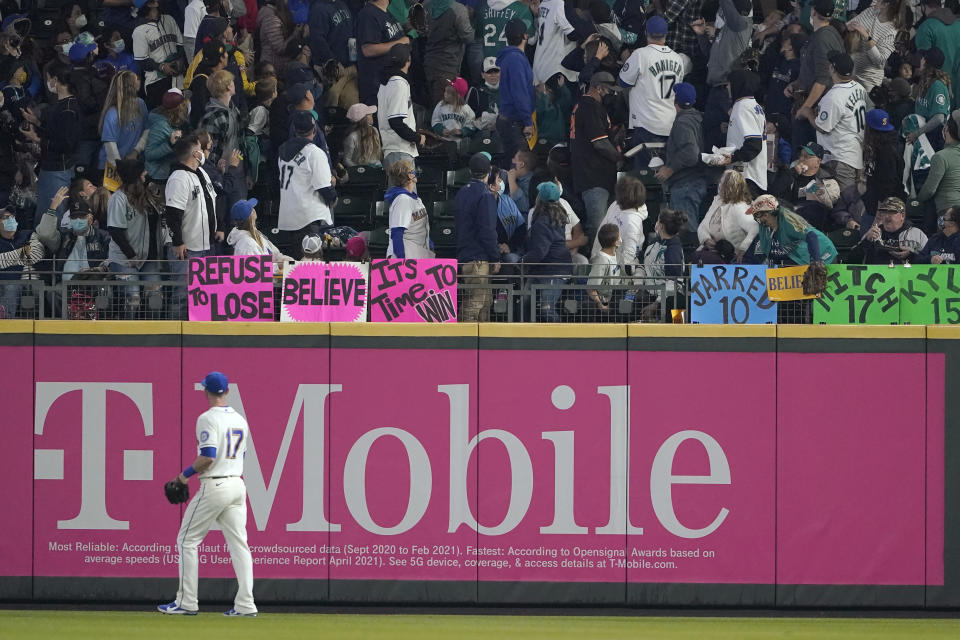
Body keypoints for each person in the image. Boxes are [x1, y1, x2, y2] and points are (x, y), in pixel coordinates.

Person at [157, 371, 257, 617]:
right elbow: (242, 456)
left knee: (186, 540)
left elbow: (209, 456)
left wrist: (182, 476)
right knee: (239, 546)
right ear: (228, 391)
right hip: (237, 483)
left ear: (206, 391)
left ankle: (186, 602)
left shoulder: (207, 418)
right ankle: (246, 605)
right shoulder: (240, 419)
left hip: (216, 485)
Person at [618, 16, 684, 168]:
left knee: (646, 178)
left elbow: (623, 82)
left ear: (647, 32)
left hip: (646, 124)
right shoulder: (677, 58)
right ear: (666, 34)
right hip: (671, 124)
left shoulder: (641, 55)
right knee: (666, 175)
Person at [165, 133, 219, 317]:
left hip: (207, 245)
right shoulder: (178, 178)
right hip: (188, 249)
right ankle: (176, 338)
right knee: (182, 295)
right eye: (200, 148)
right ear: (195, 154)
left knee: (203, 295)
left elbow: (212, 202)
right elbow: (172, 215)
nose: (204, 151)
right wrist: (178, 242)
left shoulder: (201, 173)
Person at [105, 159, 162, 318]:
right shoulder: (118, 198)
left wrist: (153, 186)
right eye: (142, 172)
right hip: (125, 259)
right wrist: (131, 255)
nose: (146, 174)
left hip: (148, 258)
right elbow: (115, 230)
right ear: (135, 176)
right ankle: (127, 335)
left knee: (155, 297)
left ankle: (152, 335)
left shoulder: (147, 194)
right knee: (133, 297)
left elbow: (162, 204)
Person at [26, 61, 79, 229]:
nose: (47, 82)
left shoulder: (69, 109)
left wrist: (38, 140)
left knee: (51, 221)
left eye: (48, 78)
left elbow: (65, 143)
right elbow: (57, 132)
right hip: (50, 168)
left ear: (55, 79)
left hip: (58, 171)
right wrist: (37, 122)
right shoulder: (60, 105)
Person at [803, 52, 866, 191]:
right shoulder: (859, 88)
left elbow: (823, 127)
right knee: (851, 201)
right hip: (855, 154)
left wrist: (808, 113)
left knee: (839, 202)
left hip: (838, 158)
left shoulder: (834, 96)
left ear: (832, 68)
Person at [571, 71, 622, 243]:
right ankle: (596, 265)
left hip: (597, 175)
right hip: (592, 176)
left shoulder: (590, 105)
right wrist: (619, 158)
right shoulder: (589, 105)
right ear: (598, 88)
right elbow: (599, 143)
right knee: (598, 226)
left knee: (606, 225)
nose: (611, 94)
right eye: (609, 90)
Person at [278, 111, 337, 253]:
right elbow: (323, 186)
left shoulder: (282, 151)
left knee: (297, 264)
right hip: (309, 218)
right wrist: (333, 198)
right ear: (314, 129)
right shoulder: (314, 152)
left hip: (289, 216)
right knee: (311, 266)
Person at [698, 0, 753, 152]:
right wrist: (701, 36)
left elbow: (727, 7)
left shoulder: (741, 25)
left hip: (727, 91)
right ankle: (710, 172)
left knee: (721, 139)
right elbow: (711, 55)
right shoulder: (726, 30)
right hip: (715, 88)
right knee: (709, 135)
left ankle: (721, 174)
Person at [789, 0, 844, 152]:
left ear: (813, 12)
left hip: (815, 109)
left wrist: (805, 108)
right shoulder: (828, 33)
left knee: (803, 156)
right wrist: (796, 83)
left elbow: (823, 79)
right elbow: (813, 72)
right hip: (815, 103)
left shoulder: (822, 38)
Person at [455, 152, 501, 322]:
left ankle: (483, 346)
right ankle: (463, 344)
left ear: (470, 171)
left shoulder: (461, 192)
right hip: (478, 259)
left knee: (485, 303)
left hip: (466, 255)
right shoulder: (485, 195)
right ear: (489, 171)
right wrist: (495, 256)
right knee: (475, 303)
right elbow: (487, 230)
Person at [522, 181, 573, 322]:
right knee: (527, 303)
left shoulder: (542, 221)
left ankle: (561, 342)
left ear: (540, 198)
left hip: (553, 270)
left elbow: (540, 251)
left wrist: (521, 262)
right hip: (543, 269)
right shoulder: (556, 216)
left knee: (546, 309)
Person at [35, 186, 110, 281]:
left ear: (90, 218)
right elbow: (45, 234)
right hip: (63, 289)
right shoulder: (64, 237)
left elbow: (113, 259)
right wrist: (53, 206)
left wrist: (101, 269)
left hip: (94, 288)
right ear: (70, 219)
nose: (78, 220)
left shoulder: (103, 237)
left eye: (82, 217)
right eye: (74, 217)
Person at [658, 82, 705, 231]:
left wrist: (670, 168)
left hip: (686, 185)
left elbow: (691, 154)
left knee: (687, 236)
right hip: (696, 182)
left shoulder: (683, 122)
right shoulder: (698, 117)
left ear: (675, 101)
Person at [748, 194, 838, 266]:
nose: (757, 220)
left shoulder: (787, 223)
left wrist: (816, 261)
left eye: (759, 216)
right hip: (801, 259)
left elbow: (811, 236)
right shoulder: (767, 229)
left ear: (767, 214)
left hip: (824, 253)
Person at [377, 43, 424, 175]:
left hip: (394, 150)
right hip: (400, 151)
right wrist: (417, 138)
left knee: (399, 195)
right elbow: (396, 122)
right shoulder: (398, 83)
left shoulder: (386, 83)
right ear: (407, 61)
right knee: (403, 194)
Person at [720, 70, 767, 196]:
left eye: (730, 84)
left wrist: (734, 157)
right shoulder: (754, 105)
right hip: (753, 175)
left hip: (745, 176)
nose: (728, 87)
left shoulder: (742, 107)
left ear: (738, 84)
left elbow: (754, 144)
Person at [132, 0, 186, 108]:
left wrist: (180, 60)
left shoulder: (169, 19)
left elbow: (180, 45)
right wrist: (161, 67)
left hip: (178, 78)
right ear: (147, 4)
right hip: (156, 82)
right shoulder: (139, 31)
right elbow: (141, 61)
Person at [697, 170, 758, 263]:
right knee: (695, 258)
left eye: (723, 183)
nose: (719, 185)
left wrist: (743, 249)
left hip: (729, 256)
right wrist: (706, 239)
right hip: (710, 250)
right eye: (720, 182)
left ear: (731, 187)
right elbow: (703, 226)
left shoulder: (739, 207)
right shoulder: (717, 201)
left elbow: (755, 228)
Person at [496, 19, 535, 166]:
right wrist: (527, 122)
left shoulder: (511, 57)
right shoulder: (515, 58)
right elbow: (519, 93)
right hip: (514, 123)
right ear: (525, 36)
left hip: (510, 121)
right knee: (519, 169)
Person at [356, 0, 409, 106]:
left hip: (393, 83)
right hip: (378, 86)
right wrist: (401, 42)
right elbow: (368, 50)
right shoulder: (368, 14)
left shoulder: (386, 12)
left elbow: (389, 35)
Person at [591, 174, 649, 270]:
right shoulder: (615, 205)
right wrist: (595, 257)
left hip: (620, 273)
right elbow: (601, 230)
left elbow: (629, 257)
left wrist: (614, 272)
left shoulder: (633, 222)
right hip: (603, 261)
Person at [846, 0, 904, 94]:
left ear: (886, 4)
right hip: (851, 74)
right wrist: (848, 28)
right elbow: (849, 25)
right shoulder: (870, 11)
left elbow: (880, 62)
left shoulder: (893, 30)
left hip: (868, 83)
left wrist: (867, 37)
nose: (874, 1)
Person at [423, 0, 473, 106]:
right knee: (445, 111)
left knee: (436, 106)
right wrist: (471, 18)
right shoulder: (459, 9)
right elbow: (468, 37)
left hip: (429, 63)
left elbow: (421, 31)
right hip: (448, 65)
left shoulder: (425, 6)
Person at [98, 70, 149, 173]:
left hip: (132, 163)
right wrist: (121, 169)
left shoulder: (141, 104)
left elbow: (147, 130)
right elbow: (110, 146)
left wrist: (135, 152)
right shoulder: (112, 113)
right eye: (137, 79)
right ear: (131, 85)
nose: (139, 81)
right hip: (112, 167)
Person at [915, 0, 960, 110]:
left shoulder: (925, 28)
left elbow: (924, 64)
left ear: (924, 7)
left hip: (939, 91)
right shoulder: (958, 25)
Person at [0, 205, 44, 318]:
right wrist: (23, 253)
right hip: (7, 282)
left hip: (33, 280)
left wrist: (7, 259)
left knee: (39, 289)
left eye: (13, 217)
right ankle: (6, 323)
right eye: (6, 217)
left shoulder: (28, 234)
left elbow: (36, 254)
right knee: (11, 288)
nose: (11, 220)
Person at [862, 109, 907, 218]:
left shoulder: (886, 152)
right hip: (875, 203)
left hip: (885, 208)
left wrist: (881, 210)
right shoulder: (878, 147)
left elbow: (888, 184)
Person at [856, 196, 928, 264]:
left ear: (902, 216)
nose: (887, 216)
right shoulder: (873, 232)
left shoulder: (916, 234)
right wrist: (866, 242)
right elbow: (851, 260)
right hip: (878, 274)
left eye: (891, 212)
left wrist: (910, 256)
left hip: (906, 275)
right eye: (884, 212)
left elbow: (929, 261)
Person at [385, 158, 432, 259]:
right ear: (409, 175)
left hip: (417, 253)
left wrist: (429, 244)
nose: (415, 172)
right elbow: (397, 232)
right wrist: (401, 261)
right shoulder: (403, 200)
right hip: (406, 255)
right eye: (412, 170)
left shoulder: (415, 199)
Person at [227, 198, 293, 265]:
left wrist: (285, 261)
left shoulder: (256, 235)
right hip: (270, 274)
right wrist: (279, 266)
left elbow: (274, 254)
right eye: (252, 208)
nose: (254, 209)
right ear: (252, 214)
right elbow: (256, 271)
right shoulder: (247, 244)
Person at [910, 47, 952, 151]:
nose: (920, 60)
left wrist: (917, 133)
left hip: (934, 137)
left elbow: (939, 118)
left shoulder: (937, 85)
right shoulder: (925, 81)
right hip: (925, 134)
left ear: (926, 62)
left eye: (923, 58)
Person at [918, 113, 960, 217]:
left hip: (948, 213)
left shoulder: (941, 157)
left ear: (947, 130)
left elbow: (929, 190)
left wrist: (917, 199)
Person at [145, 88, 190, 183]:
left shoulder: (178, 121)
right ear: (180, 107)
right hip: (158, 177)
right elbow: (149, 154)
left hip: (170, 172)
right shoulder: (160, 126)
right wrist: (169, 144)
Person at [199, 69, 241, 167]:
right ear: (228, 86)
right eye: (232, 81)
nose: (234, 83)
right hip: (223, 172)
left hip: (236, 168)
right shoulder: (213, 117)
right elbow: (209, 151)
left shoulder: (233, 108)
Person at [533, 0, 580, 85]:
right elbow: (572, 35)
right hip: (552, 67)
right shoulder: (558, 4)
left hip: (539, 63)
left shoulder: (543, 4)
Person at [587, 222, 621, 313]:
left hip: (615, 298)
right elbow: (591, 288)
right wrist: (600, 305)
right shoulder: (601, 260)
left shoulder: (617, 254)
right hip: (603, 305)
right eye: (619, 237)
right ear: (616, 242)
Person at [342, 103, 383, 168]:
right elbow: (346, 160)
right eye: (369, 114)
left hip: (377, 169)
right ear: (363, 118)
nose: (372, 116)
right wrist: (360, 170)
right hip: (359, 173)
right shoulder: (352, 136)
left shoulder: (374, 130)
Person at [466, 57, 500, 131]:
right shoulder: (475, 91)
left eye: (496, 71)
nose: (493, 75)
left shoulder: (509, 90)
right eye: (489, 72)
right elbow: (468, 119)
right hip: (481, 134)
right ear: (482, 75)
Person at [507, 150, 536, 214]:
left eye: (515, 158)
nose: (512, 160)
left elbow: (524, 207)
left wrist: (512, 181)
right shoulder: (517, 179)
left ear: (521, 164)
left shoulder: (531, 182)